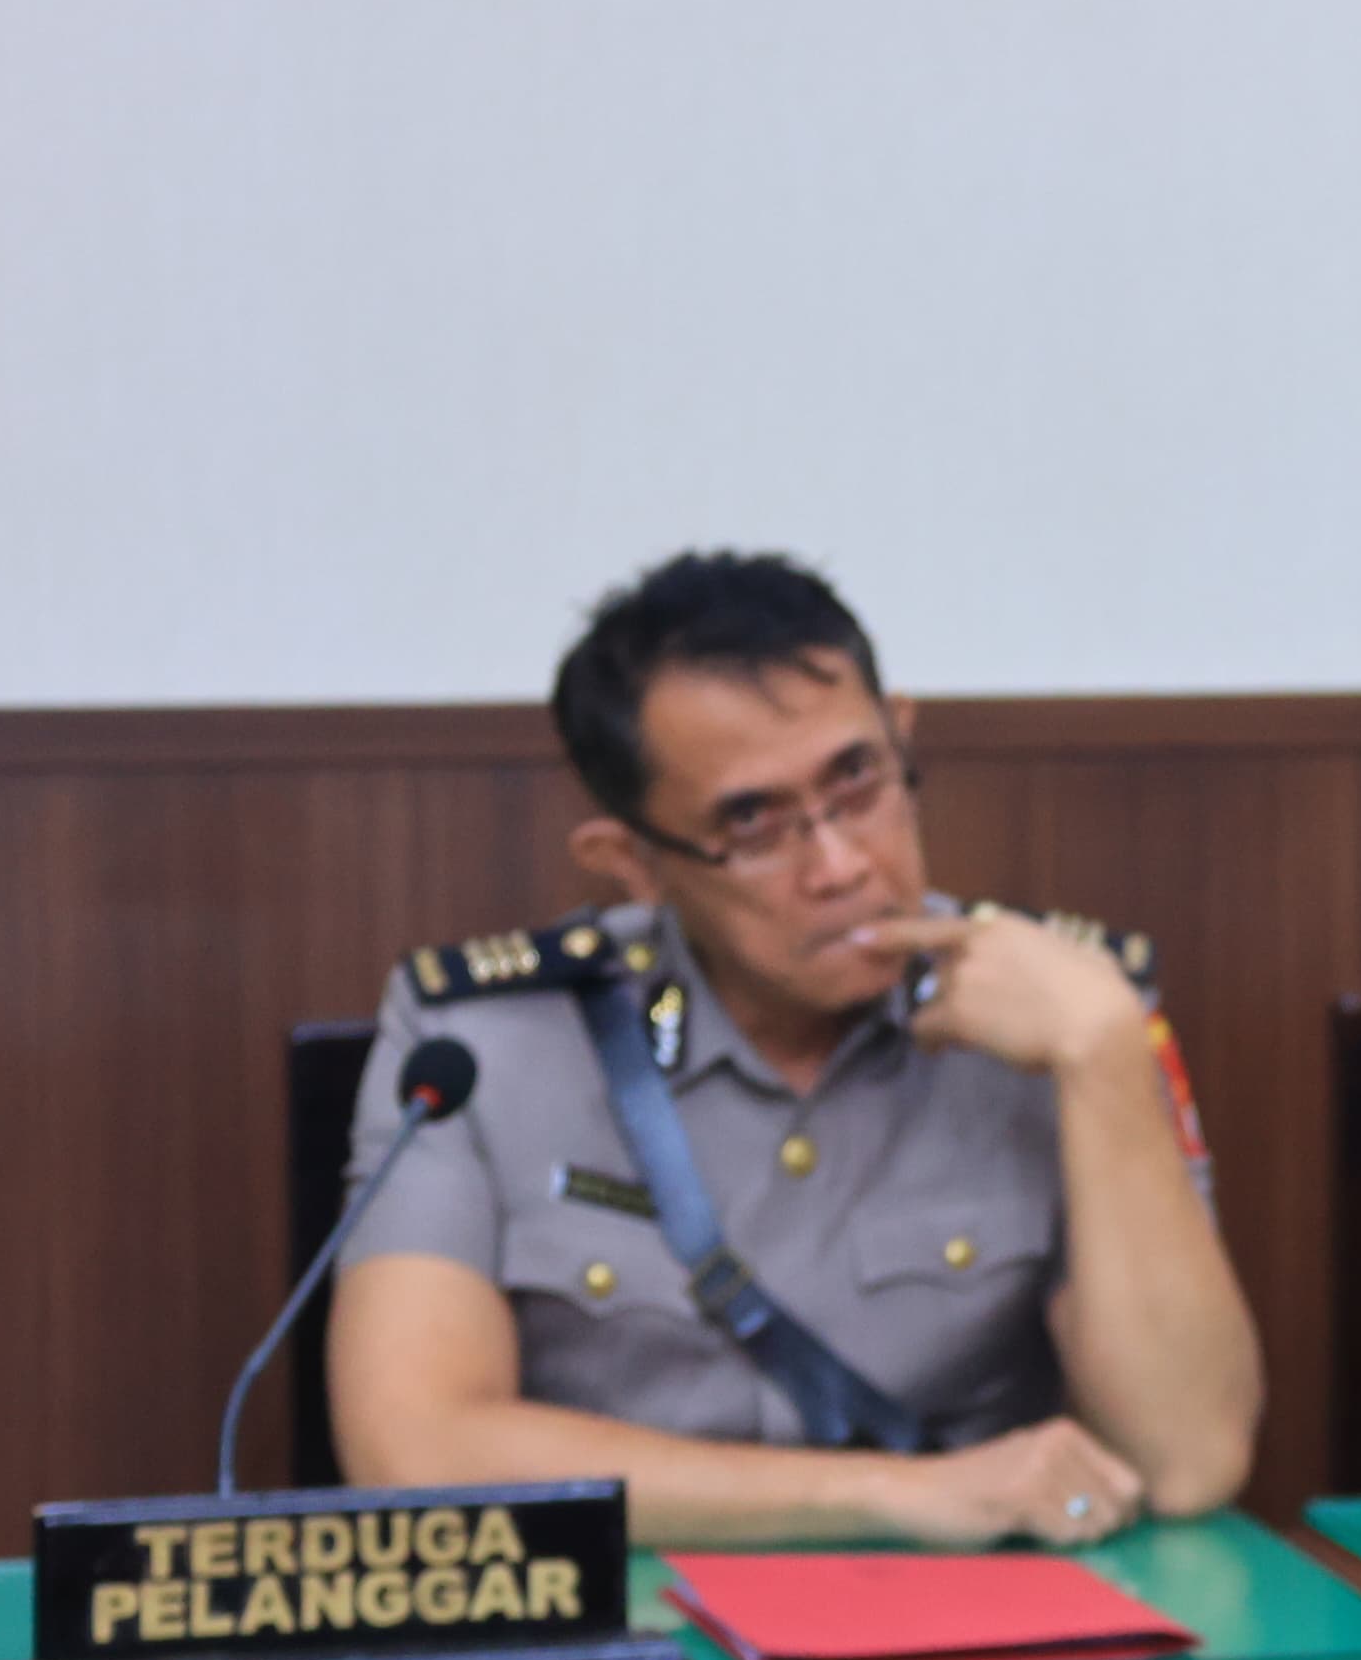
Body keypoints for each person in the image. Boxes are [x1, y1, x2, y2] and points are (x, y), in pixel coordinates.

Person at [326, 551, 1264, 1548]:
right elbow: (414, 1449)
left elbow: (1187, 1459)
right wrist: (893, 1494)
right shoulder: (483, 1041)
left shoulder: (1063, 1011)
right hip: (627, 1654)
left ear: (902, 740)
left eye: (857, 782)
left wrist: (1103, 1051)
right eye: (753, 823)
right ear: (633, 862)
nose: (840, 864)